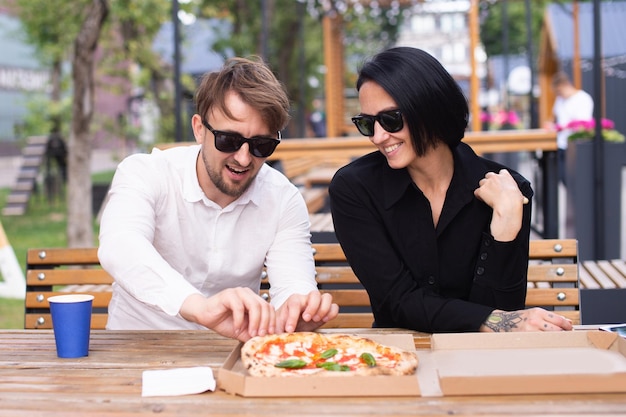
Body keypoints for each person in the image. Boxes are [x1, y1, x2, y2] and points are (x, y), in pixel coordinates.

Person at [329, 47, 572, 333]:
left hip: (482, 362)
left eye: (391, 120)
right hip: (399, 355)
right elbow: (398, 302)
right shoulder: (355, 189)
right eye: (367, 124)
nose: (378, 137)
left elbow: (505, 309)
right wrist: (491, 320)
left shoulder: (508, 191)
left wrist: (505, 224)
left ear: (429, 109)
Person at [98, 57, 338, 341]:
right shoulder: (147, 172)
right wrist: (199, 307)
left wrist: (298, 312)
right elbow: (121, 245)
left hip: (229, 354)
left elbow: (292, 285)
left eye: (261, 145)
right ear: (199, 128)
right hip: (137, 349)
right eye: (229, 140)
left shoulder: (283, 199)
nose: (243, 157)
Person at [551, 71, 594, 186]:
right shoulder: (559, 100)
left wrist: (564, 127)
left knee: (577, 182)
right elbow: (555, 118)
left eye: (559, 91)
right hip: (561, 144)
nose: (558, 94)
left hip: (575, 146)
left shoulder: (582, 99)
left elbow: (583, 124)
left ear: (565, 84)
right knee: (564, 179)